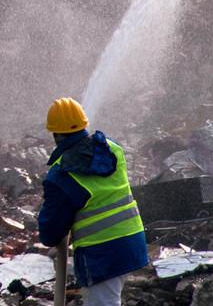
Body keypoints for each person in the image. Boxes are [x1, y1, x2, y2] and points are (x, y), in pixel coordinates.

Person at [38, 97, 148, 306]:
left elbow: (50, 232)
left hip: (102, 253)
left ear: (56, 134)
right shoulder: (112, 149)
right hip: (132, 242)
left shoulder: (62, 175)